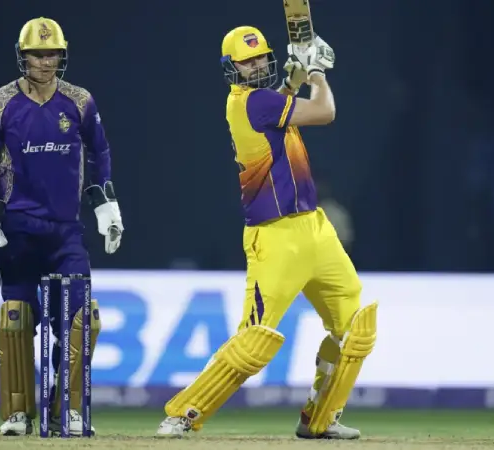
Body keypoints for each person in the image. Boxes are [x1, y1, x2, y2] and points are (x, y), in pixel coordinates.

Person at [156, 26, 377, 440]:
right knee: (255, 339)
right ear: (231, 68)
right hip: (275, 237)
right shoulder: (251, 102)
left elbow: (280, 104)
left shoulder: (264, 101)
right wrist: (317, 74)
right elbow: (325, 112)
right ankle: (183, 414)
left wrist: (294, 78)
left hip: (316, 228)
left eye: (261, 57)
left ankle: (321, 419)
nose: (256, 65)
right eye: (247, 61)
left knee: (354, 329)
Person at [0, 17, 124, 436]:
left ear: (63, 55)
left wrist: (105, 201)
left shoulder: (79, 101)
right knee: (15, 319)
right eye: (37, 54)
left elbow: (100, 151)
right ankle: (18, 413)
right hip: (17, 230)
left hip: (65, 231)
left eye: (52, 53)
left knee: (82, 322)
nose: (45, 61)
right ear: (23, 57)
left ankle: (65, 410)